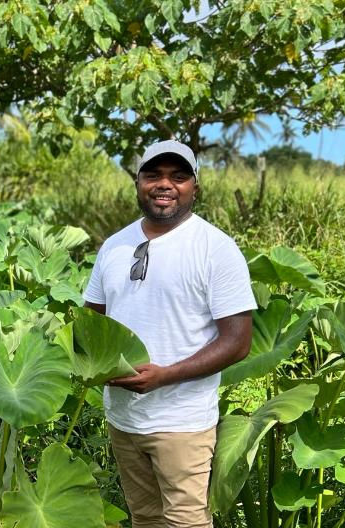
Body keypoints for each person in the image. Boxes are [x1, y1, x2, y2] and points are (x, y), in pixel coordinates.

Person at [83, 140, 255, 528]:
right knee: (144, 519)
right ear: (138, 182)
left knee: (185, 522)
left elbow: (238, 341)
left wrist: (166, 376)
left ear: (195, 186)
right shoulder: (114, 246)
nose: (165, 185)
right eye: (153, 175)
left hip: (182, 421)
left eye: (178, 177)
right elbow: (90, 324)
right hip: (123, 418)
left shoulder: (215, 249)